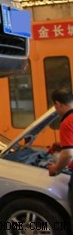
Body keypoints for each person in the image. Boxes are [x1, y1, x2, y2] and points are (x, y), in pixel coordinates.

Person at [47, 88, 73, 223]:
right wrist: (63, 144)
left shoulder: (67, 122)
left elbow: (68, 155)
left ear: (57, 104)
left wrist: (56, 168)